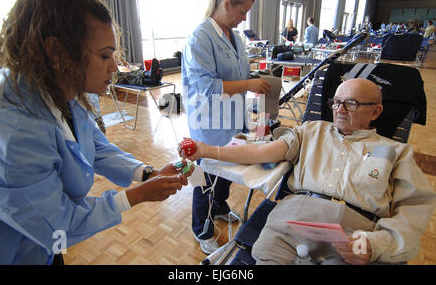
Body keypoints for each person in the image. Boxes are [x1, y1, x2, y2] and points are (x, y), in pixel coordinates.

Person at [0, 0, 193, 265]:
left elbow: (94, 144)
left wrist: (146, 173)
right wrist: (136, 196)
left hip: (44, 244)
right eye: (104, 55)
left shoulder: (62, 86)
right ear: (57, 49)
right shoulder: (14, 130)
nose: (114, 67)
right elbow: (60, 225)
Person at [183, 78, 436, 265]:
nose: (339, 110)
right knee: (267, 257)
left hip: (355, 235)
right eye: (336, 103)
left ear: (376, 111)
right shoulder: (310, 131)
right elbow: (260, 152)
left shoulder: (396, 151)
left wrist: (376, 244)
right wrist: (206, 151)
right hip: (292, 223)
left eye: (350, 104)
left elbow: (414, 213)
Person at [181, 0, 271, 255]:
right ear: (226, 4)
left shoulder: (235, 36)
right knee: (204, 179)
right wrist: (248, 85)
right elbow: (208, 87)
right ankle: (201, 228)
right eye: (242, 11)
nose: (244, 19)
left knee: (227, 172)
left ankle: (219, 207)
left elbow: (239, 75)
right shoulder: (200, 36)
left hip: (232, 120)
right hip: (208, 123)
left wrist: (257, 81)